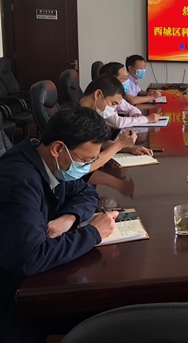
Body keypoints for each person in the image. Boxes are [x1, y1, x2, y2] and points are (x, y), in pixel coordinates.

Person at [0, 106, 119, 341]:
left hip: (38, 278)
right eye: (85, 160)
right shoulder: (19, 182)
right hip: (17, 299)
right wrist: (93, 233)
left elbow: (86, 192)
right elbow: (30, 257)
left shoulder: (48, 161)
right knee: (113, 310)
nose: (85, 167)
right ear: (58, 148)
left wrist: (70, 217)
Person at [99, 62, 160, 126]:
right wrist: (147, 119)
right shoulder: (103, 98)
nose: (128, 81)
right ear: (111, 81)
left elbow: (131, 108)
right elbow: (118, 123)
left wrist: (135, 114)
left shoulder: (116, 96)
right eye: (125, 78)